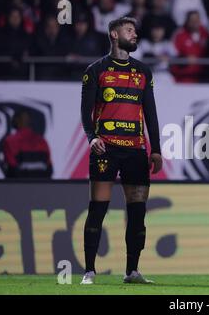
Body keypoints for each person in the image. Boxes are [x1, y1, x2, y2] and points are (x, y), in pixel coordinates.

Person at [80, 17, 162, 285]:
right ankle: (89, 270)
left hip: (136, 150)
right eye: (129, 31)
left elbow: (150, 113)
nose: (135, 34)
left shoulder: (143, 71)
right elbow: (85, 110)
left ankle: (132, 272)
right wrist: (92, 137)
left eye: (135, 31)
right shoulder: (96, 70)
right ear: (114, 34)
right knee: (98, 209)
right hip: (106, 149)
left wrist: (156, 149)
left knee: (137, 213)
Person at [3, 110, 53, 178]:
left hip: (20, 186)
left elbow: (12, 170)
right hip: (42, 186)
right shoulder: (42, 141)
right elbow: (49, 170)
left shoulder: (10, 141)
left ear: (16, 121)